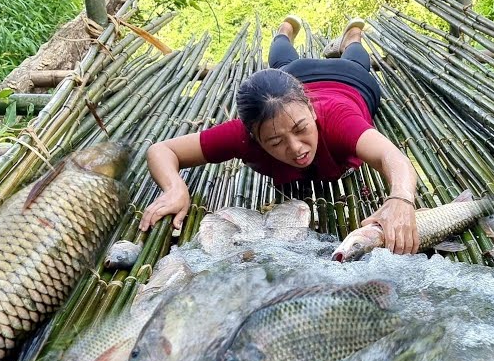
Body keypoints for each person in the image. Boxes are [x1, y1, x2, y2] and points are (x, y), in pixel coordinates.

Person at [138, 16, 421, 254]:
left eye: (301, 130)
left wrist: (401, 199)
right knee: (284, 64)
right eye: (275, 142)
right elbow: (161, 150)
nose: (297, 147)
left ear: (310, 109)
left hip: (349, 80)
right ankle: (285, 30)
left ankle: (353, 37)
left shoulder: (337, 119)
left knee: (358, 62)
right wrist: (175, 188)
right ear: (254, 137)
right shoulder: (241, 135)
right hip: (293, 76)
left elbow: (391, 156)